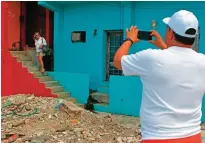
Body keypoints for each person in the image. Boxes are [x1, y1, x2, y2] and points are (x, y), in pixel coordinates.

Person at [114, 10, 205, 143]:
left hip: (158, 138)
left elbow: (117, 61)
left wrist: (129, 39)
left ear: (170, 33)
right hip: (193, 137)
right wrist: (164, 46)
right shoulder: (202, 61)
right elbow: (177, 62)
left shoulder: (152, 58)